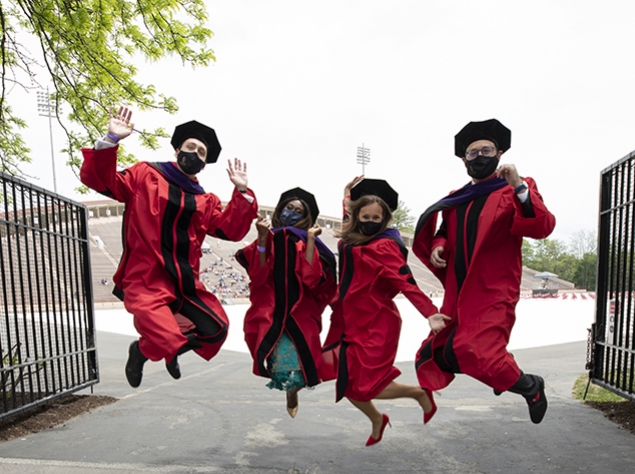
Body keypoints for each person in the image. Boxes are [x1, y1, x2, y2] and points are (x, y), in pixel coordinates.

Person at [80, 106, 258, 387]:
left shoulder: (205, 201)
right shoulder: (146, 175)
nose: (195, 154)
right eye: (190, 147)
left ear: (204, 163)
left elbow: (232, 230)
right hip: (145, 279)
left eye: (201, 153)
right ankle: (151, 351)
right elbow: (101, 181)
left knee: (217, 330)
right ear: (177, 150)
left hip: (185, 284)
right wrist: (111, 140)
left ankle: (155, 349)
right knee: (167, 337)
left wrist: (243, 192)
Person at [413, 119, 556, 423]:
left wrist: (519, 186)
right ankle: (503, 375)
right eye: (472, 153)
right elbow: (443, 231)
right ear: (464, 160)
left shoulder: (514, 188)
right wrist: (439, 245)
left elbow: (541, 226)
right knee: (443, 352)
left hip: (493, 288)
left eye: (486, 150)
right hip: (459, 288)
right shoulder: (458, 197)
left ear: (500, 152)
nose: (479, 156)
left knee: (479, 352)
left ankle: (531, 386)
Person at [324, 179, 450, 446]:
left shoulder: (385, 245)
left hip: (376, 322)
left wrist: (429, 312)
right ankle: (377, 419)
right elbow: (350, 216)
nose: (370, 221)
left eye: (376, 218)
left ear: (384, 219)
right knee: (347, 384)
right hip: (348, 321)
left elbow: (406, 280)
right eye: (365, 216)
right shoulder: (353, 235)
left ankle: (418, 394)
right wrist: (347, 195)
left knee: (369, 385)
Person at [234, 188, 338, 418]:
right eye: (289, 208)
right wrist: (262, 237)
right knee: (278, 363)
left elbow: (312, 279)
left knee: (303, 366)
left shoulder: (307, 242)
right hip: (270, 311)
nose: (291, 213)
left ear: (306, 217)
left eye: (298, 211)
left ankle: (293, 392)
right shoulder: (268, 237)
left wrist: (311, 240)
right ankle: (289, 390)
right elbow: (259, 276)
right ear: (281, 210)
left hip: (299, 312)